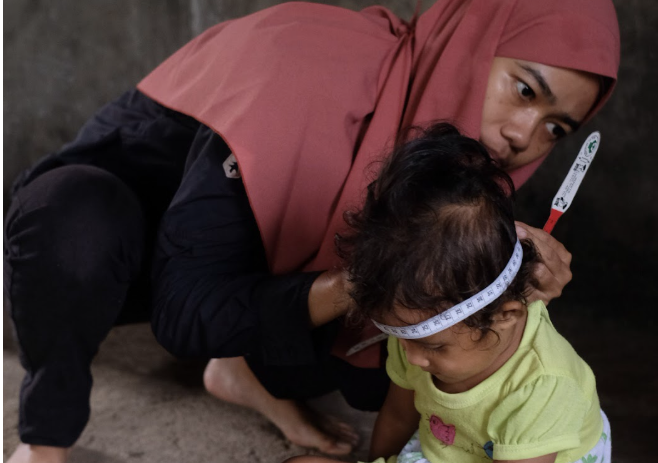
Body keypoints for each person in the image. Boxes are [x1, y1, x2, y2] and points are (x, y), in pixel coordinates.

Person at [3, 0, 619, 462]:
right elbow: (182, 312)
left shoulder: (452, 156)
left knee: (422, 353)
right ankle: (44, 439)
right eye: (523, 89)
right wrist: (386, 270)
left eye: (555, 128)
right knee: (74, 224)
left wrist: (473, 273)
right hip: (129, 241)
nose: (523, 136)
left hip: (253, 264)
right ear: (471, 42)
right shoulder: (304, 72)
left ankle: (239, 371)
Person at [285, 123, 611, 463]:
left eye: (433, 345)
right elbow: (398, 416)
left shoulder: (543, 387)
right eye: (398, 336)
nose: (411, 357)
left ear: (506, 316)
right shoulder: (417, 332)